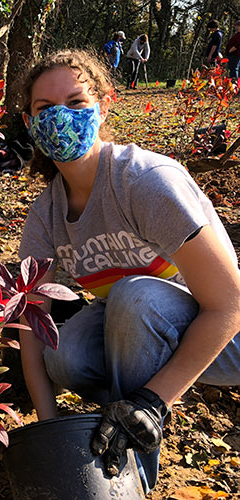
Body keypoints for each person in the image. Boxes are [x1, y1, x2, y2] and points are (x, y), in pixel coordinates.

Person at [18, 49, 240, 493]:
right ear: (28, 122)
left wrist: (151, 402)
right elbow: (31, 325)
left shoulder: (144, 182)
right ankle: (118, 418)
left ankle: (132, 475)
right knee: (64, 353)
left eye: (77, 103)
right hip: (147, 322)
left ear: (104, 104)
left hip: (226, 337)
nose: (60, 118)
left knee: (133, 297)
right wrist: (50, 431)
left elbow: (229, 303)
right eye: (44, 109)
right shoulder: (46, 217)